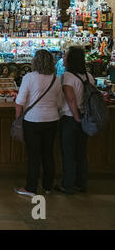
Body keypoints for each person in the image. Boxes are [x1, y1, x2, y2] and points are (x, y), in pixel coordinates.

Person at [14, 50, 63, 197]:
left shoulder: (29, 77)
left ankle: (31, 188)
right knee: (48, 153)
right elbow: (60, 103)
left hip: (33, 120)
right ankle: (47, 186)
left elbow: (19, 102)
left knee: (33, 155)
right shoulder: (56, 79)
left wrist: (18, 120)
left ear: (35, 61)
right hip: (52, 120)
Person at [56, 46, 95, 194]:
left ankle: (67, 185)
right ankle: (81, 183)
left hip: (71, 118)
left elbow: (71, 100)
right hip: (86, 118)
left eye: (65, 56)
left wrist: (77, 117)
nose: (63, 58)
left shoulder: (68, 77)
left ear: (71, 59)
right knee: (81, 153)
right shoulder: (89, 76)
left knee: (68, 153)